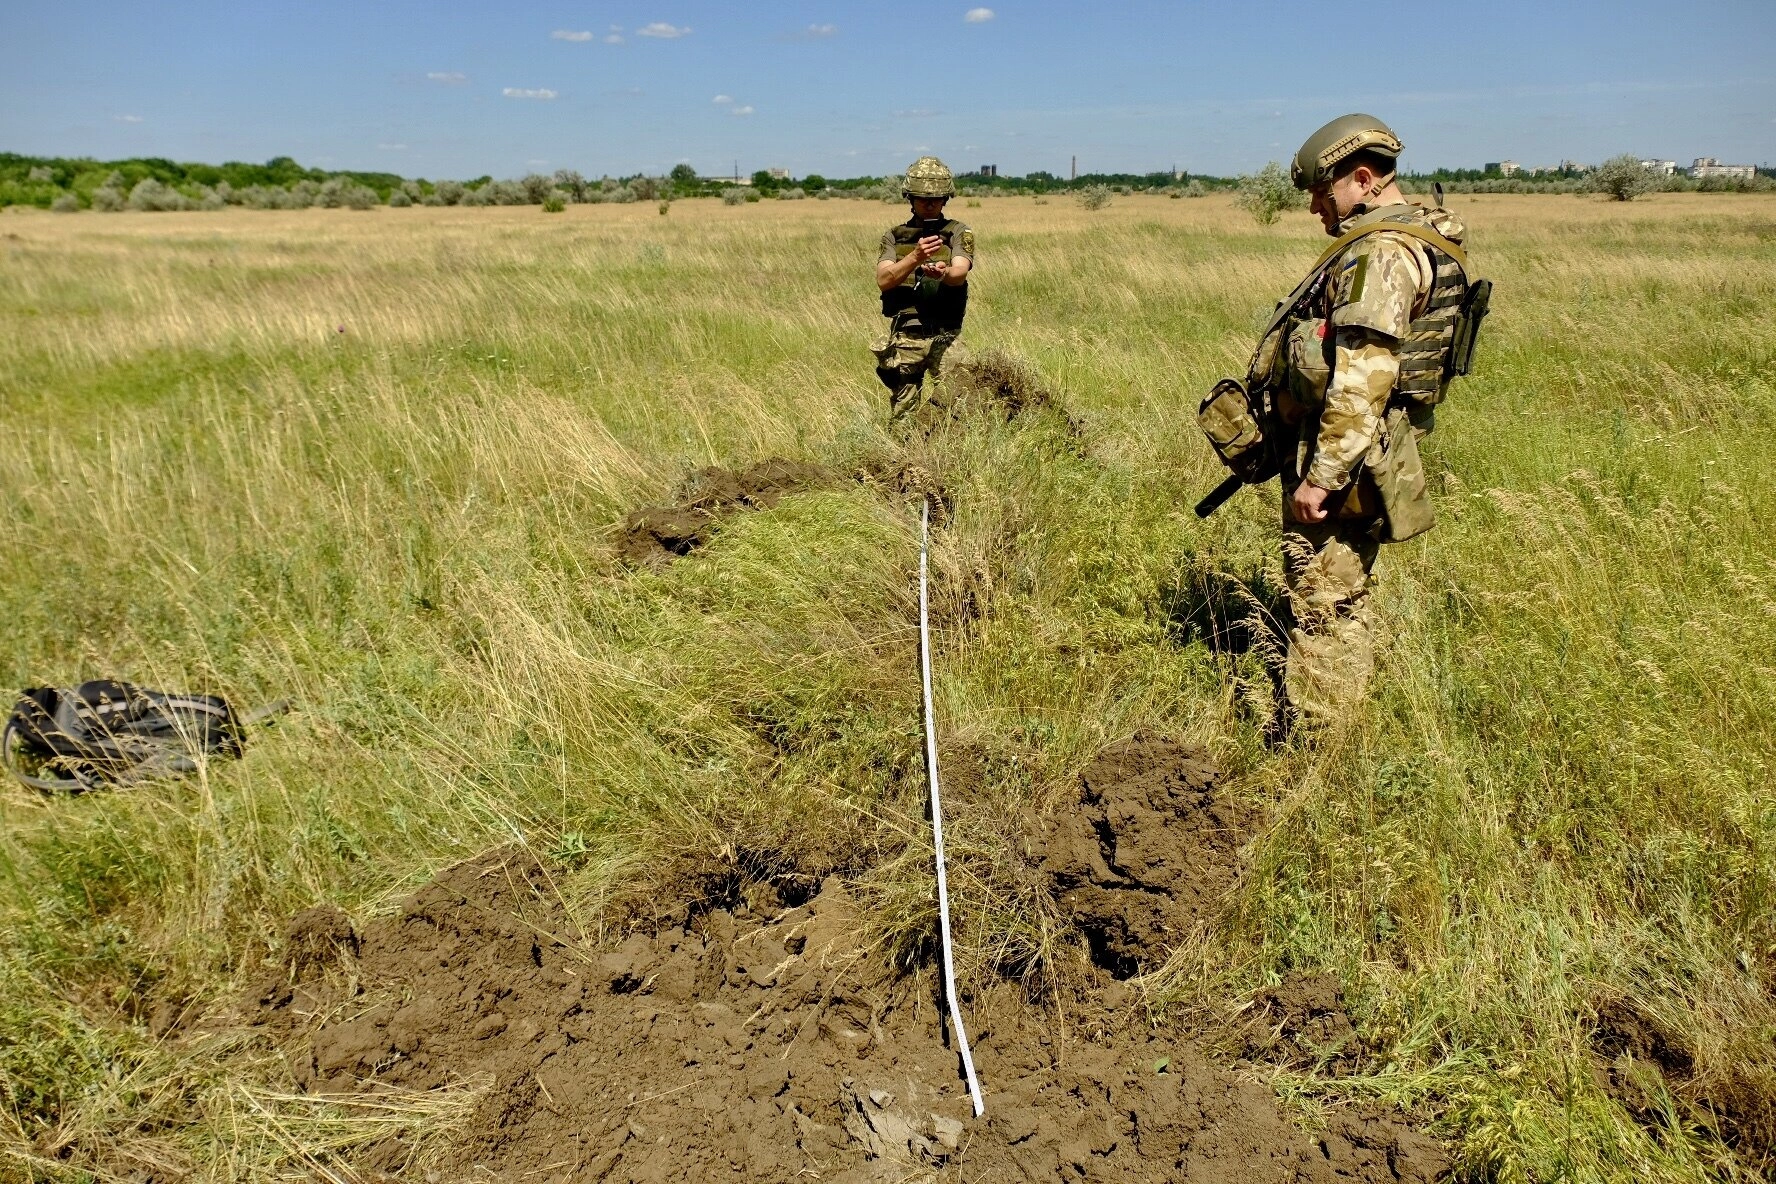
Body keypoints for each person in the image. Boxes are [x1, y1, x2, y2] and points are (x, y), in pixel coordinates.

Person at [1258, 114, 1476, 734]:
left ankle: (1319, 740)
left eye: (1321, 194)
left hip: (1349, 453)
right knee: (1337, 593)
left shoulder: (1381, 252)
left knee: (1326, 599)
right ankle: (1328, 725)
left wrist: (1321, 477)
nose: (1313, 208)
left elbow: (1363, 375)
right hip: (1371, 444)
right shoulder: (1423, 235)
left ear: (1360, 179)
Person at [872, 157, 974, 427]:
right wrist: (915, 257)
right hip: (907, 335)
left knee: (959, 407)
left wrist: (943, 273)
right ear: (910, 198)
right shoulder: (895, 236)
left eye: (937, 199)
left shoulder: (957, 232)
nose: (930, 204)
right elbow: (884, 279)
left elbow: (960, 272)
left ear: (946, 199)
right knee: (903, 414)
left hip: (946, 336)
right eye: (922, 198)